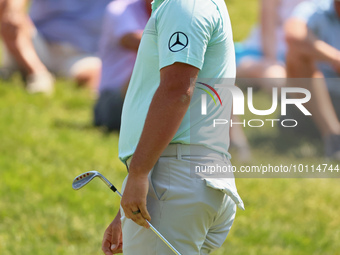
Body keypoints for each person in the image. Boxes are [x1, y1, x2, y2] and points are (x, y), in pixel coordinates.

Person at [102, 0, 244, 254]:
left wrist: (138, 174)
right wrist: (129, 200)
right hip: (184, 180)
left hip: (175, 182)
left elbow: (177, 91)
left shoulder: (184, 5)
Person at [0, 0, 111, 94]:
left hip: (83, 53)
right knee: (5, 5)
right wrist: (14, 9)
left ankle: (15, 68)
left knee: (99, 79)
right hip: (39, 42)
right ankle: (36, 73)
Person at [284, 0, 340, 160]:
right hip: (316, 96)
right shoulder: (313, 9)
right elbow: (293, 36)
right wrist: (335, 58)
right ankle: (334, 138)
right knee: (295, 56)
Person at [94, 0, 152, 132]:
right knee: (153, 63)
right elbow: (135, 41)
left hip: (150, 98)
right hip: (113, 101)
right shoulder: (119, 9)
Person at [236, 0, 306, 90]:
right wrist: (273, 61)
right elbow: (267, 28)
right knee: (277, 78)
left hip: (296, 58)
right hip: (260, 52)